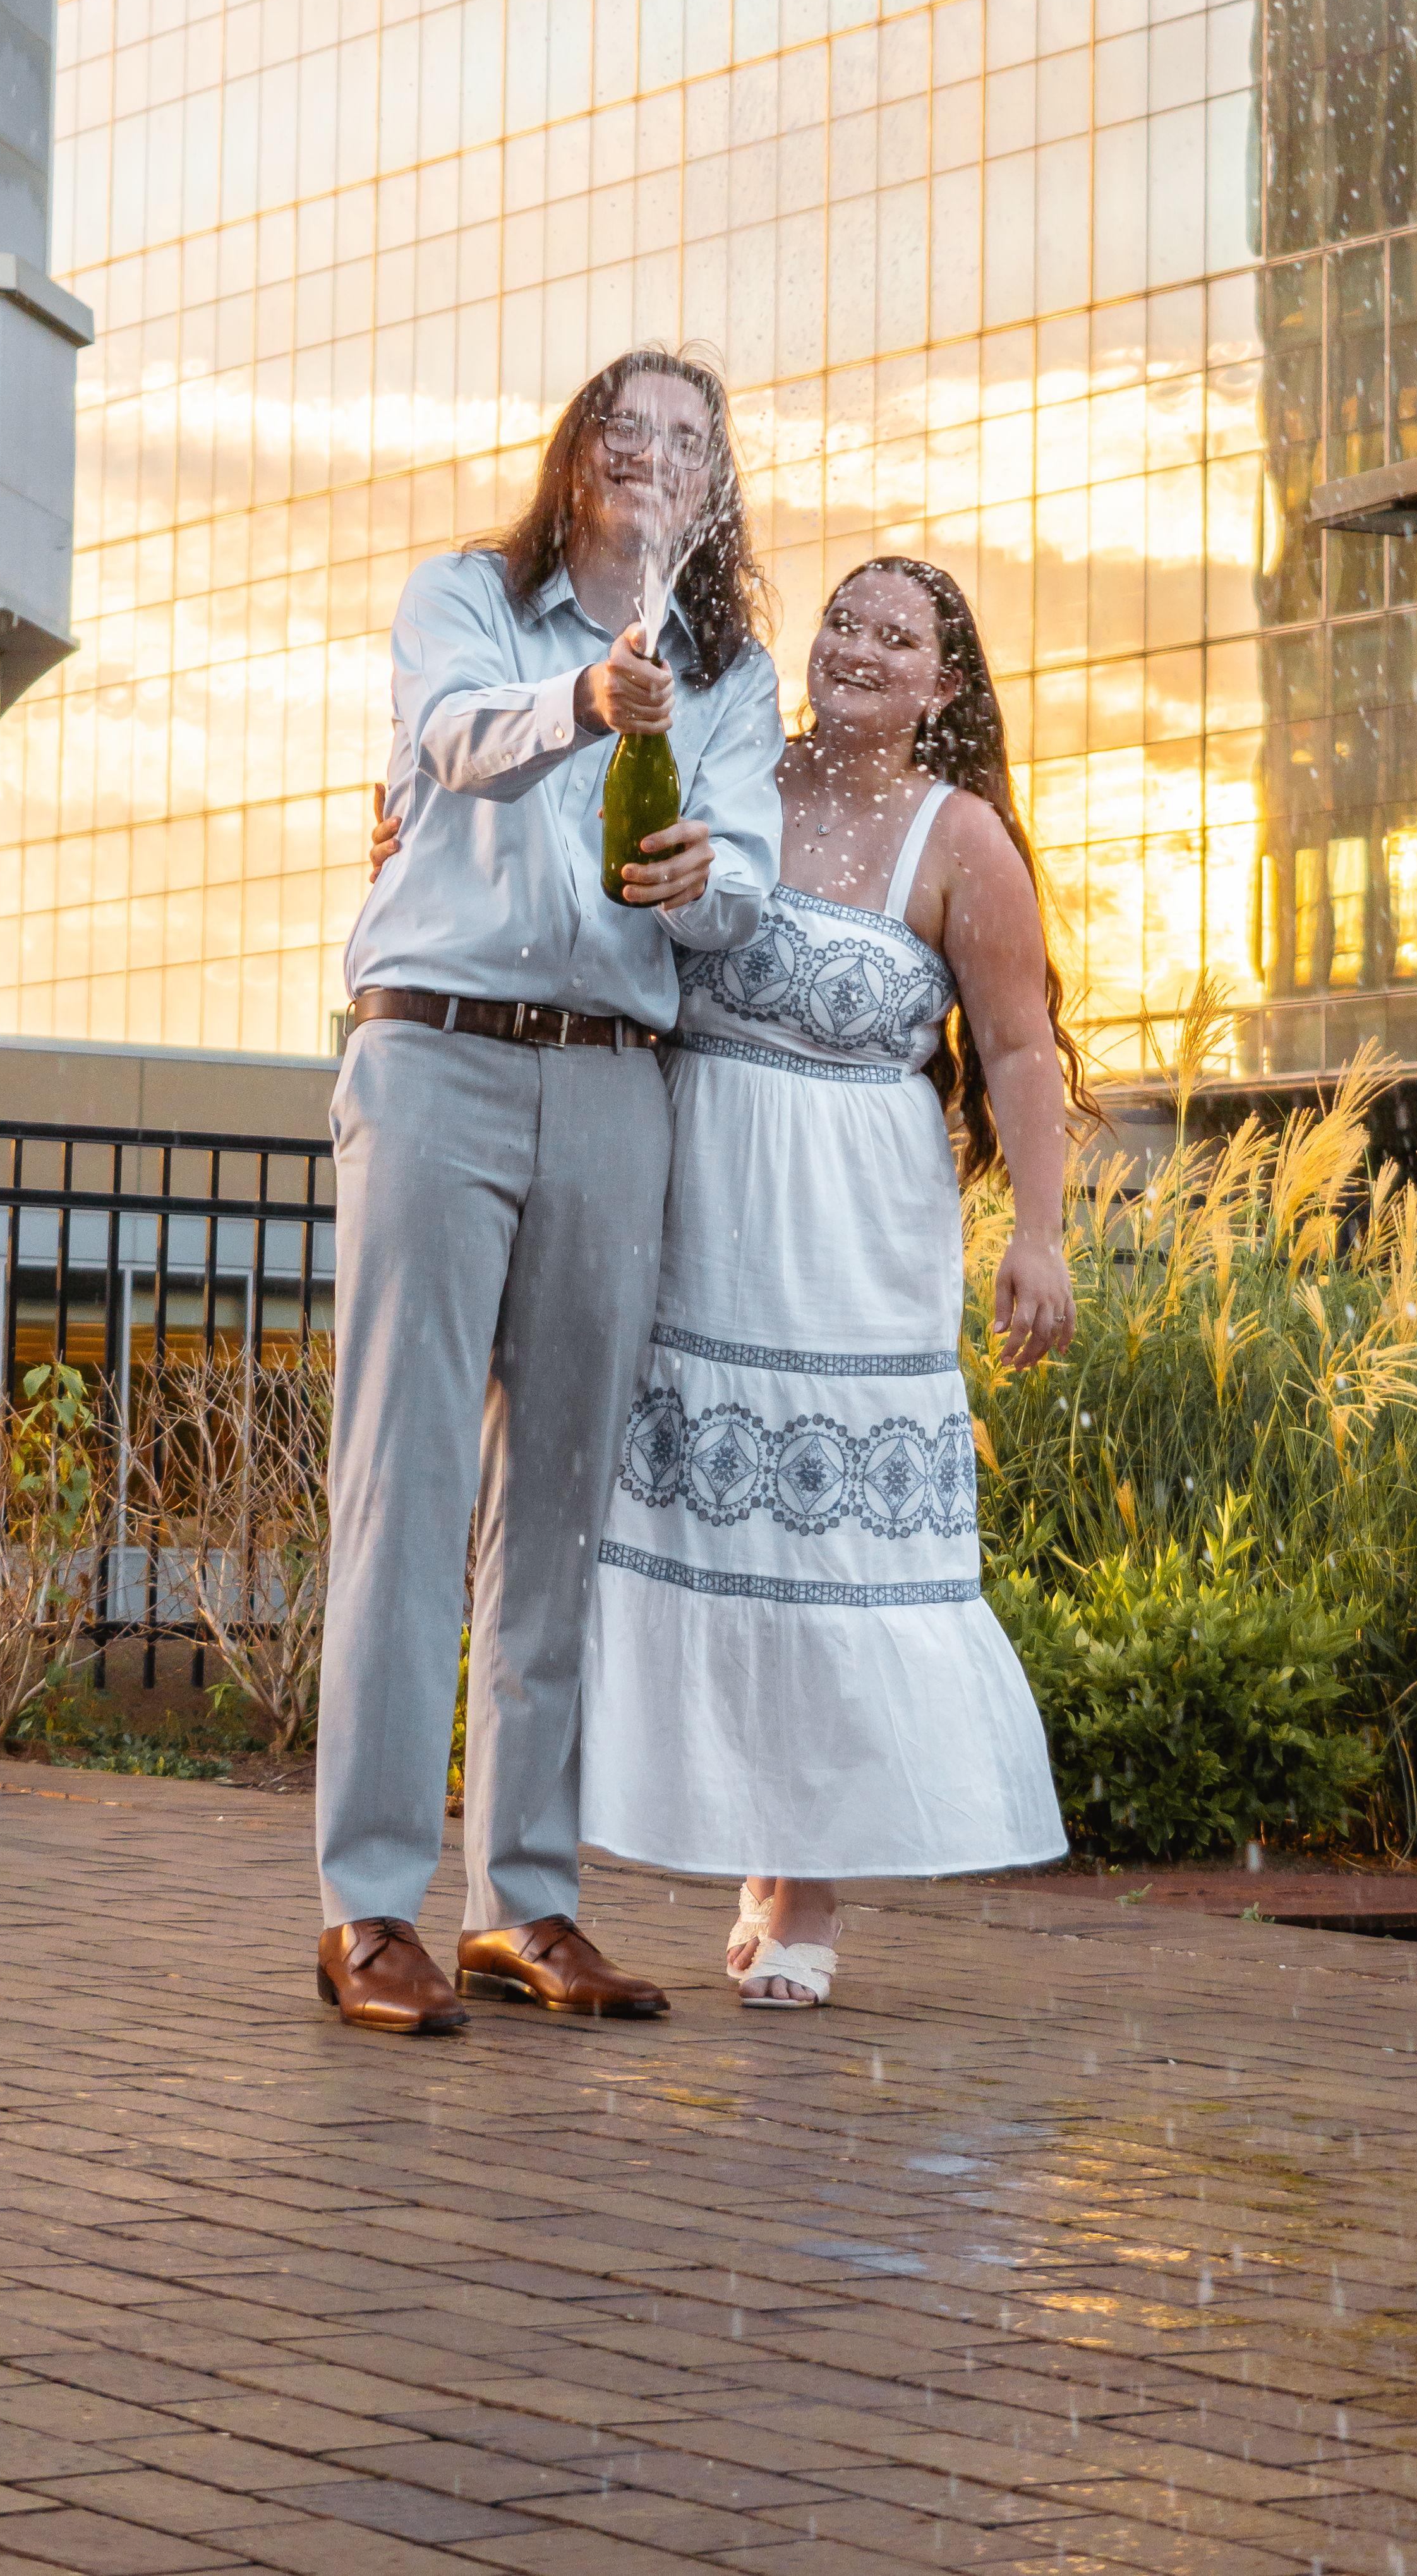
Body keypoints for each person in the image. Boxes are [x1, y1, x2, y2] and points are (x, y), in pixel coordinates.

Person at [367, 556, 1085, 2007]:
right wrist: (412, 835)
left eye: (899, 637)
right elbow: (565, 841)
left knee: (824, 1550)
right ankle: (624, 1861)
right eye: (846, 621)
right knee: (696, 1519)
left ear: (945, 685)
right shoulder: (730, 758)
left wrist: (1042, 1234)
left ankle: (804, 1878)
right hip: (695, 1199)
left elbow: (1018, 1046)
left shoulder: (961, 838)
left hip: (858, 1234)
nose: (860, 648)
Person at [315, 348, 784, 2035]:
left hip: (611, 1080)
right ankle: (370, 1907)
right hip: (436, 1052)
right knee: (407, 1485)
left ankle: (524, 1904)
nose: (654, 452)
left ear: (712, 485)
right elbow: (452, 742)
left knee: (563, 1507)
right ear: (577, 454)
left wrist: (706, 875)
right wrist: (587, 700)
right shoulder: (468, 599)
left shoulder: (732, 676)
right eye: (625, 425)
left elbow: (743, 883)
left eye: (686, 438)